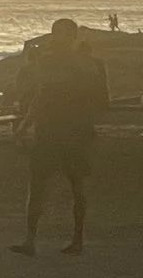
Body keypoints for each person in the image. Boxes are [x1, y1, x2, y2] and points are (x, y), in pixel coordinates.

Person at [11, 17, 109, 257]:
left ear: (73, 38)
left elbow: (97, 98)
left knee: (77, 185)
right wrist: (25, 125)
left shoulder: (85, 65)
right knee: (37, 185)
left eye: (63, 34)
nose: (57, 38)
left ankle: (77, 239)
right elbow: (40, 96)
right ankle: (30, 239)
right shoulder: (46, 62)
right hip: (48, 129)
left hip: (75, 131)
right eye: (55, 33)